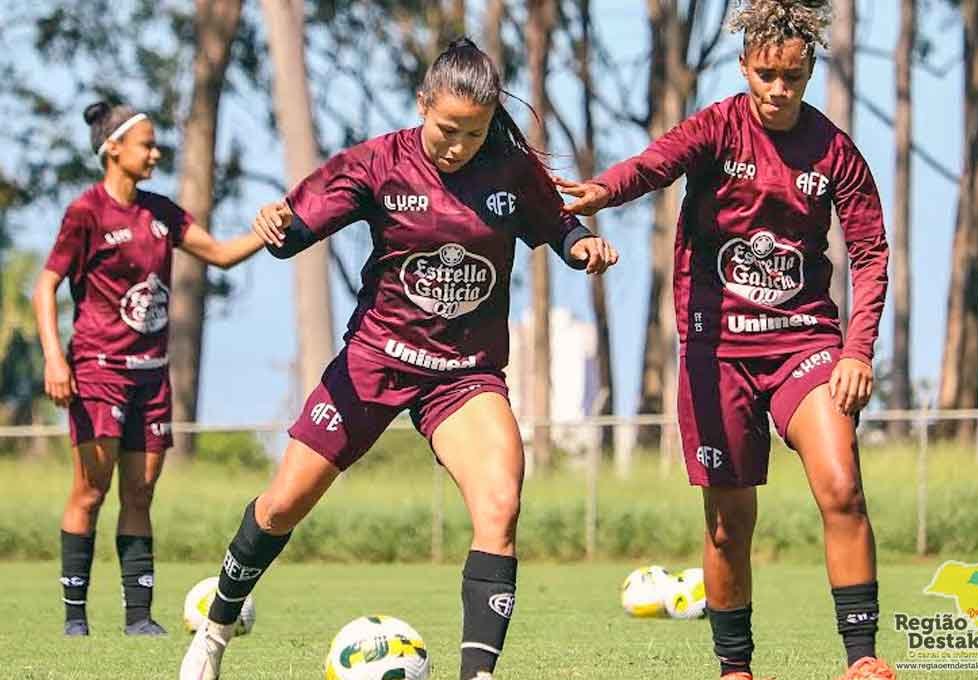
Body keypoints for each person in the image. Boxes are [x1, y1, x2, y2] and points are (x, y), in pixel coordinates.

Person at [179, 38, 618, 680]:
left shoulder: (509, 169)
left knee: (500, 504)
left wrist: (583, 248)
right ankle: (214, 633)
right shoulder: (378, 163)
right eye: (446, 129)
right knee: (280, 507)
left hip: (464, 376)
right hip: (374, 362)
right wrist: (277, 223)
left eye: (473, 132)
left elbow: (558, 224)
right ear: (422, 105)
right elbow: (294, 228)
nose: (457, 145)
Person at [554, 1, 893, 678]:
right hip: (719, 353)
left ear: (809, 72)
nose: (777, 89)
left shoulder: (833, 152)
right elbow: (653, 165)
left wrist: (857, 349)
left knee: (842, 487)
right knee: (727, 521)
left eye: (792, 77)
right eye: (766, 74)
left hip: (807, 346)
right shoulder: (717, 129)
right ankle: (735, 668)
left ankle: (862, 661)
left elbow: (870, 251)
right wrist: (599, 192)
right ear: (744, 68)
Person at [34, 101, 266, 637]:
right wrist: (54, 357)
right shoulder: (85, 213)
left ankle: (139, 618)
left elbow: (223, 254)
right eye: (147, 144)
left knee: (140, 495)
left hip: (151, 376)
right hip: (97, 370)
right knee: (90, 492)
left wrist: (275, 226)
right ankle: (76, 619)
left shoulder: (161, 212)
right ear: (113, 149)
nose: (156, 152)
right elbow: (45, 286)